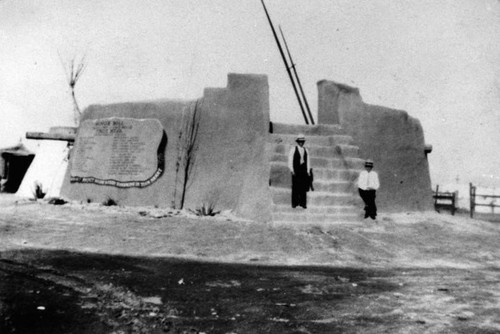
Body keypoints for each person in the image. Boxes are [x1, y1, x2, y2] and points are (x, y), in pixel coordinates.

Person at [288, 134, 311, 209]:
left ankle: (303, 203)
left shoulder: (306, 150)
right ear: (297, 142)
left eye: (302, 141)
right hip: (296, 170)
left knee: (303, 187)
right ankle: (294, 203)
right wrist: (291, 169)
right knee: (295, 187)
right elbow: (290, 160)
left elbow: (308, 161)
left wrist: (308, 170)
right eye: (300, 141)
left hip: (303, 171)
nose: (301, 143)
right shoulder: (293, 149)